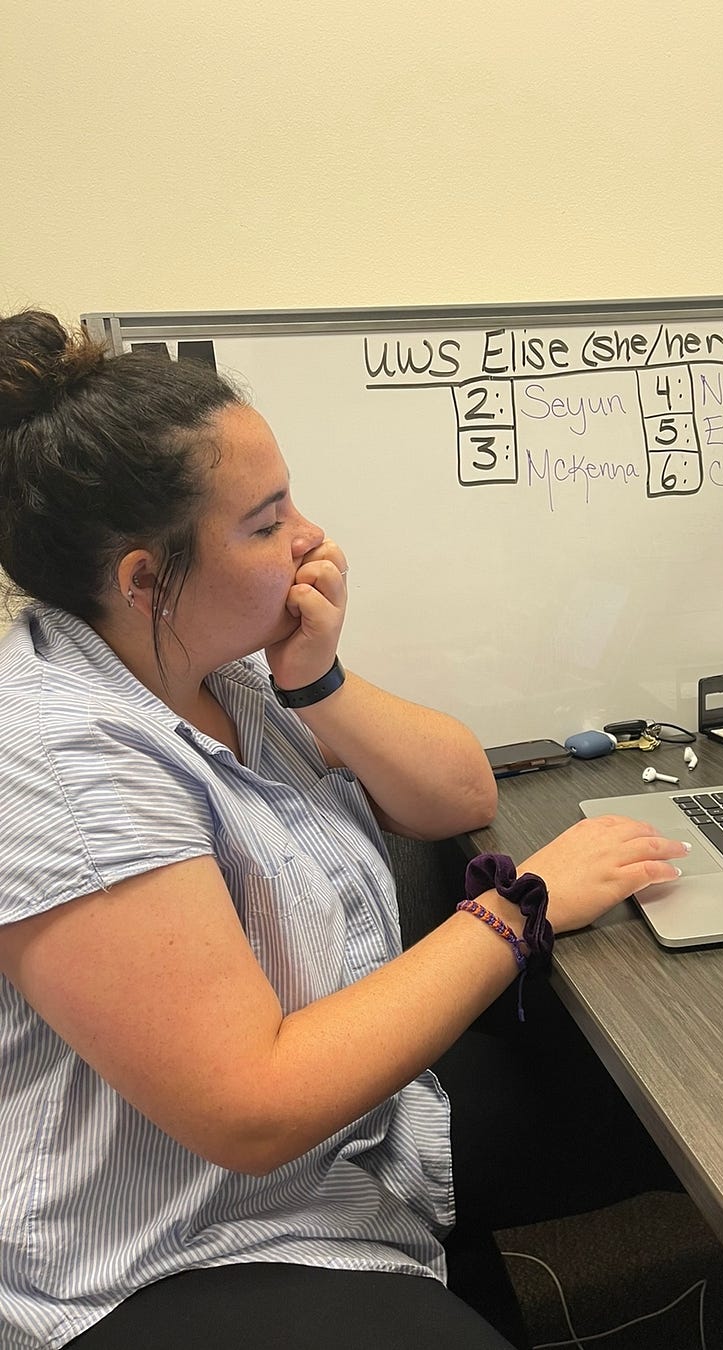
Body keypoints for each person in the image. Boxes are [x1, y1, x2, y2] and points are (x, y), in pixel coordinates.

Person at [0, 310, 687, 1350]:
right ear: (145, 577)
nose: (311, 538)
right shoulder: (58, 756)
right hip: (168, 1240)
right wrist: (519, 909)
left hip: (346, 1140)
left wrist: (314, 679)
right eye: (266, 521)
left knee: (679, 1107)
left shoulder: (214, 666)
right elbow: (251, 1107)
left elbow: (455, 794)